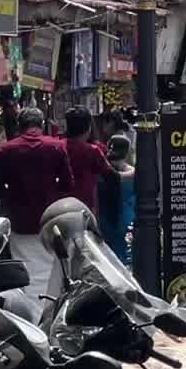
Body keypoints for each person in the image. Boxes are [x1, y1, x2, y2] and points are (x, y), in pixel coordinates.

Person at [0, 107, 74, 294]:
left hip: (18, 219)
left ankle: (29, 313)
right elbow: (68, 184)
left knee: (25, 269)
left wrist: (12, 195)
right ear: (41, 125)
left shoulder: (6, 150)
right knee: (50, 268)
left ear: (19, 126)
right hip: (50, 218)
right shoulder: (56, 147)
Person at [60, 108, 111, 208]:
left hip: (60, 205)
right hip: (84, 206)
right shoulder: (92, 151)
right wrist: (133, 173)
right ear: (89, 127)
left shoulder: (57, 146)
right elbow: (112, 177)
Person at [99, 132, 137, 264]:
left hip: (104, 223)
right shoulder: (133, 173)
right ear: (127, 153)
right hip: (126, 222)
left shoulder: (101, 172)